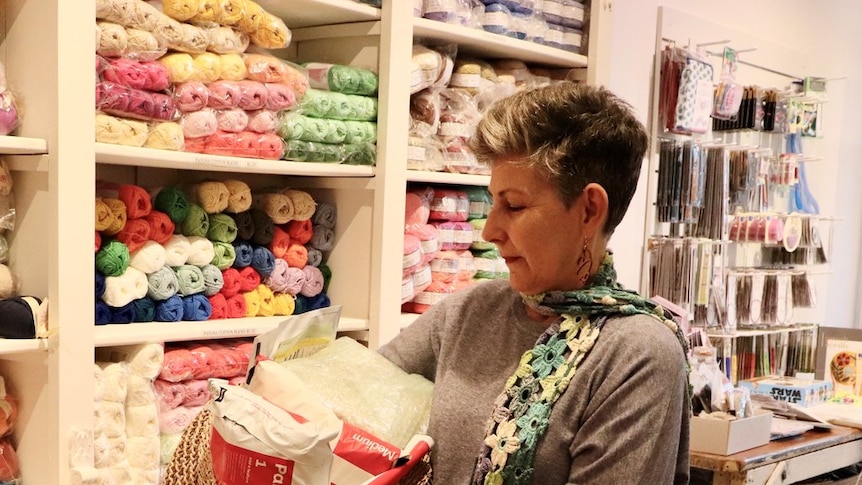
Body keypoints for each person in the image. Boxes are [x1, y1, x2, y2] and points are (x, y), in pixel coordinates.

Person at [379, 82, 691, 484]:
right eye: (492, 203)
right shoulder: (469, 313)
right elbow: (362, 395)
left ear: (589, 210)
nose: (490, 230)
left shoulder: (637, 356)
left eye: (514, 205)